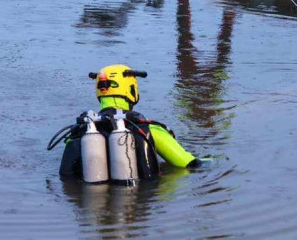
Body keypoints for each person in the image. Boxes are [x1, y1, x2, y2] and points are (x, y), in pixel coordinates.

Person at [53, 64, 201, 181]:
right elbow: (186, 163)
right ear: (131, 90)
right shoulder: (147, 128)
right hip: (138, 199)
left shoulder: (83, 129)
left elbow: (66, 176)